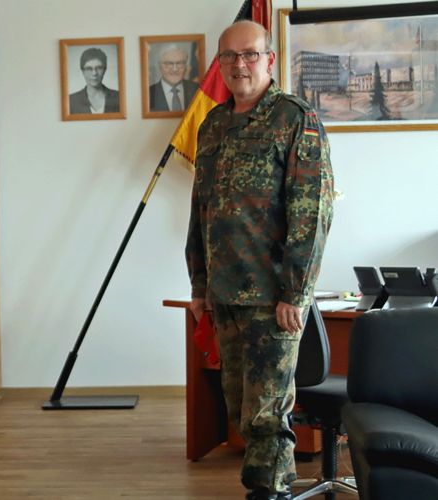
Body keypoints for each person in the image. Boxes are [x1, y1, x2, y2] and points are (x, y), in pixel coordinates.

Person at [185, 21, 334, 500]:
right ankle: (265, 487)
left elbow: (312, 213)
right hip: (225, 293)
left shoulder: (295, 118)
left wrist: (296, 291)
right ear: (220, 65)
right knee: (240, 409)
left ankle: (270, 493)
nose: (239, 65)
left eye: (249, 55)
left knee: (267, 414)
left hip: (272, 298)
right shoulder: (213, 125)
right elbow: (201, 211)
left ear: (269, 60)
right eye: (229, 57)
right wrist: (199, 285)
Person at [68, 47, 121, 114]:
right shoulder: (71, 101)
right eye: (89, 68)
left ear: (105, 69)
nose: (94, 73)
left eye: (99, 68)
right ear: (82, 71)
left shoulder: (119, 97)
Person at [148, 43, 199, 112]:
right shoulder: (149, 93)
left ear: (186, 66)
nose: (175, 69)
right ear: (160, 66)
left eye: (180, 63)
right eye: (169, 63)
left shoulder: (198, 90)